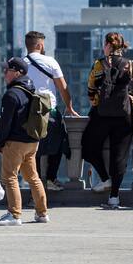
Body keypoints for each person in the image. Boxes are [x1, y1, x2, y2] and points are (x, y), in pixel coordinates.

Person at [81, 32, 133, 210]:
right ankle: (114, 198)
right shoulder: (131, 65)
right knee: (119, 157)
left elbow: (91, 89)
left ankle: (104, 178)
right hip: (124, 117)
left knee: (88, 146)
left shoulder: (99, 64)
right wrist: (130, 102)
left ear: (108, 45)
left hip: (101, 116)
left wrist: (99, 103)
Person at [0, 58, 49, 226]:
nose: (4, 73)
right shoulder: (31, 88)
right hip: (32, 141)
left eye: (7, 70)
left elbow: (5, 123)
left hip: (15, 142)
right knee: (33, 177)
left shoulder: (12, 94)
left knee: (10, 177)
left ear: (18, 72)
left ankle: (14, 214)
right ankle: (42, 213)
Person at [23, 31, 81, 192]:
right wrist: (69, 107)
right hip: (49, 111)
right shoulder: (50, 62)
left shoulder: (20, 63)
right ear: (40, 45)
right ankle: (50, 178)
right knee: (60, 142)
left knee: (33, 152)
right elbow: (63, 88)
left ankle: (37, 187)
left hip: (28, 113)